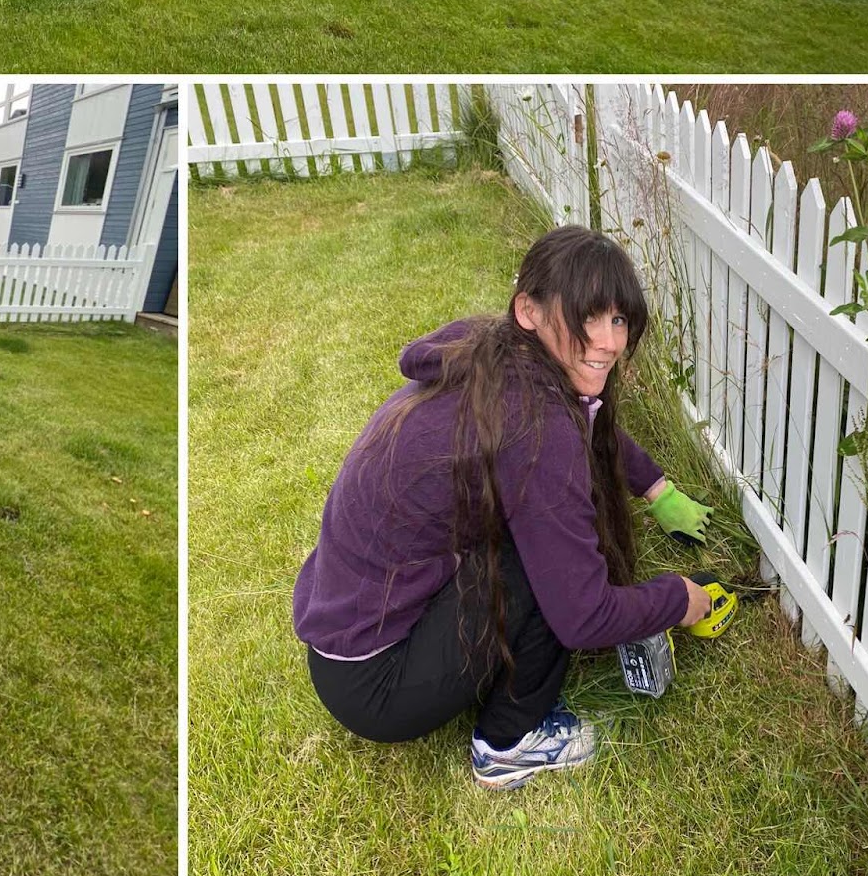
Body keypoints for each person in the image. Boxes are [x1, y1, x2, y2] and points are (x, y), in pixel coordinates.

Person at [292, 224, 716, 790]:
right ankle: (509, 743)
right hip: (375, 682)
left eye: (619, 320)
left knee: (546, 535)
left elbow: (592, 426)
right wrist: (676, 600)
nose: (610, 341)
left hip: (344, 630)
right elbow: (583, 616)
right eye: (588, 316)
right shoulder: (535, 429)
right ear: (528, 311)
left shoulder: (495, 354)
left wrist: (657, 489)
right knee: (550, 564)